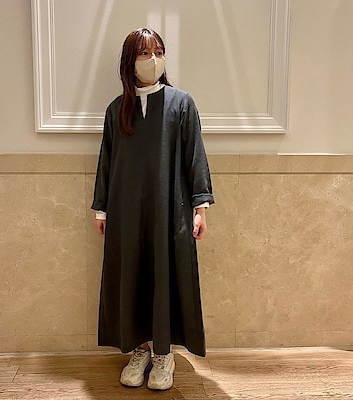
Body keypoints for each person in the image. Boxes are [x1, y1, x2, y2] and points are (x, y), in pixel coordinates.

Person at [92, 28, 214, 391]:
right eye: (144, 54)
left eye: (158, 52)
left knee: (165, 276)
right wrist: (102, 210)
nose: (153, 60)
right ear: (130, 62)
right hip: (126, 212)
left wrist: (200, 208)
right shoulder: (118, 109)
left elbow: (195, 156)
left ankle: (164, 354)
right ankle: (141, 349)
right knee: (132, 275)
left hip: (169, 210)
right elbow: (107, 162)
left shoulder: (181, 103)